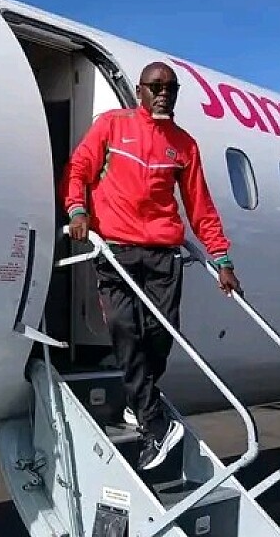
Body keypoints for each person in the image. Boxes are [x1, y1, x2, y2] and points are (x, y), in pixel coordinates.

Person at [61, 61, 242, 471]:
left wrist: (222, 259)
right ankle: (152, 425)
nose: (163, 94)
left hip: (162, 253)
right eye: (155, 86)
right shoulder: (112, 126)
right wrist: (77, 210)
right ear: (140, 90)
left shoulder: (184, 145)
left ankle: (137, 401)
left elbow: (200, 208)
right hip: (117, 249)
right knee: (124, 328)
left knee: (161, 333)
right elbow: (79, 170)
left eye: (170, 88)